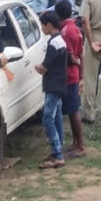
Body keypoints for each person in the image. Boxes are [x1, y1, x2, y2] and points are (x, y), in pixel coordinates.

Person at [35, 11, 68, 169]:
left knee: (47, 118)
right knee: (57, 117)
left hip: (53, 85)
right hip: (60, 84)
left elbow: (45, 68)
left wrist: (37, 67)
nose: (42, 28)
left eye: (42, 25)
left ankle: (57, 154)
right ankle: (58, 149)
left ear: (48, 25)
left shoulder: (53, 43)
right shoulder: (61, 40)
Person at [55, 0, 86, 158]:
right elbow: (81, 53)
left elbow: (70, 55)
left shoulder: (65, 32)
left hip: (69, 75)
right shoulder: (75, 29)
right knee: (73, 110)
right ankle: (76, 142)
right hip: (74, 74)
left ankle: (80, 145)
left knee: (73, 111)